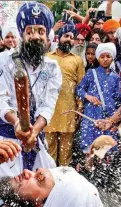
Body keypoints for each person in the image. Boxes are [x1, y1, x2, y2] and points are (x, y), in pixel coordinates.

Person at [0, 2, 62, 185]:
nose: (35, 36)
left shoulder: (52, 68)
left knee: (40, 188)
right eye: (30, 31)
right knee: (5, 189)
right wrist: (18, 124)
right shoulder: (4, 60)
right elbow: (1, 99)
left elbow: (48, 105)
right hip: (6, 135)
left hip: (34, 136)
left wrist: (33, 132)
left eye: (40, 31)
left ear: (47, 36)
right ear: (22, 34)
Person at [45, 22, 85, 166]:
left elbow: (81, 87)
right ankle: (49, 181)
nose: (69, 39)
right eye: (66, 36)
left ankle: (64, 180)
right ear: (59, 37)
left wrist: (79, 109)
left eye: (71, 37)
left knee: (66, 151)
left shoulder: (77, 60)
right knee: (49, 149)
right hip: (48, 111)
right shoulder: (47, 57)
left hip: (68, 111)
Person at [77, 43, 121, 154]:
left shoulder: (116, 77)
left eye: (108, 56)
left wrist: (115, 118)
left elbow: (118, 98)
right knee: (89, 147)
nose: (105, 59)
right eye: (102, 57)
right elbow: (79, 89)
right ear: (98, 58)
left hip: (109, 116)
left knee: (107, 148)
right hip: (91, 114)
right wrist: (88, 96)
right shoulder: (91, 73)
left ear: (112, 58)